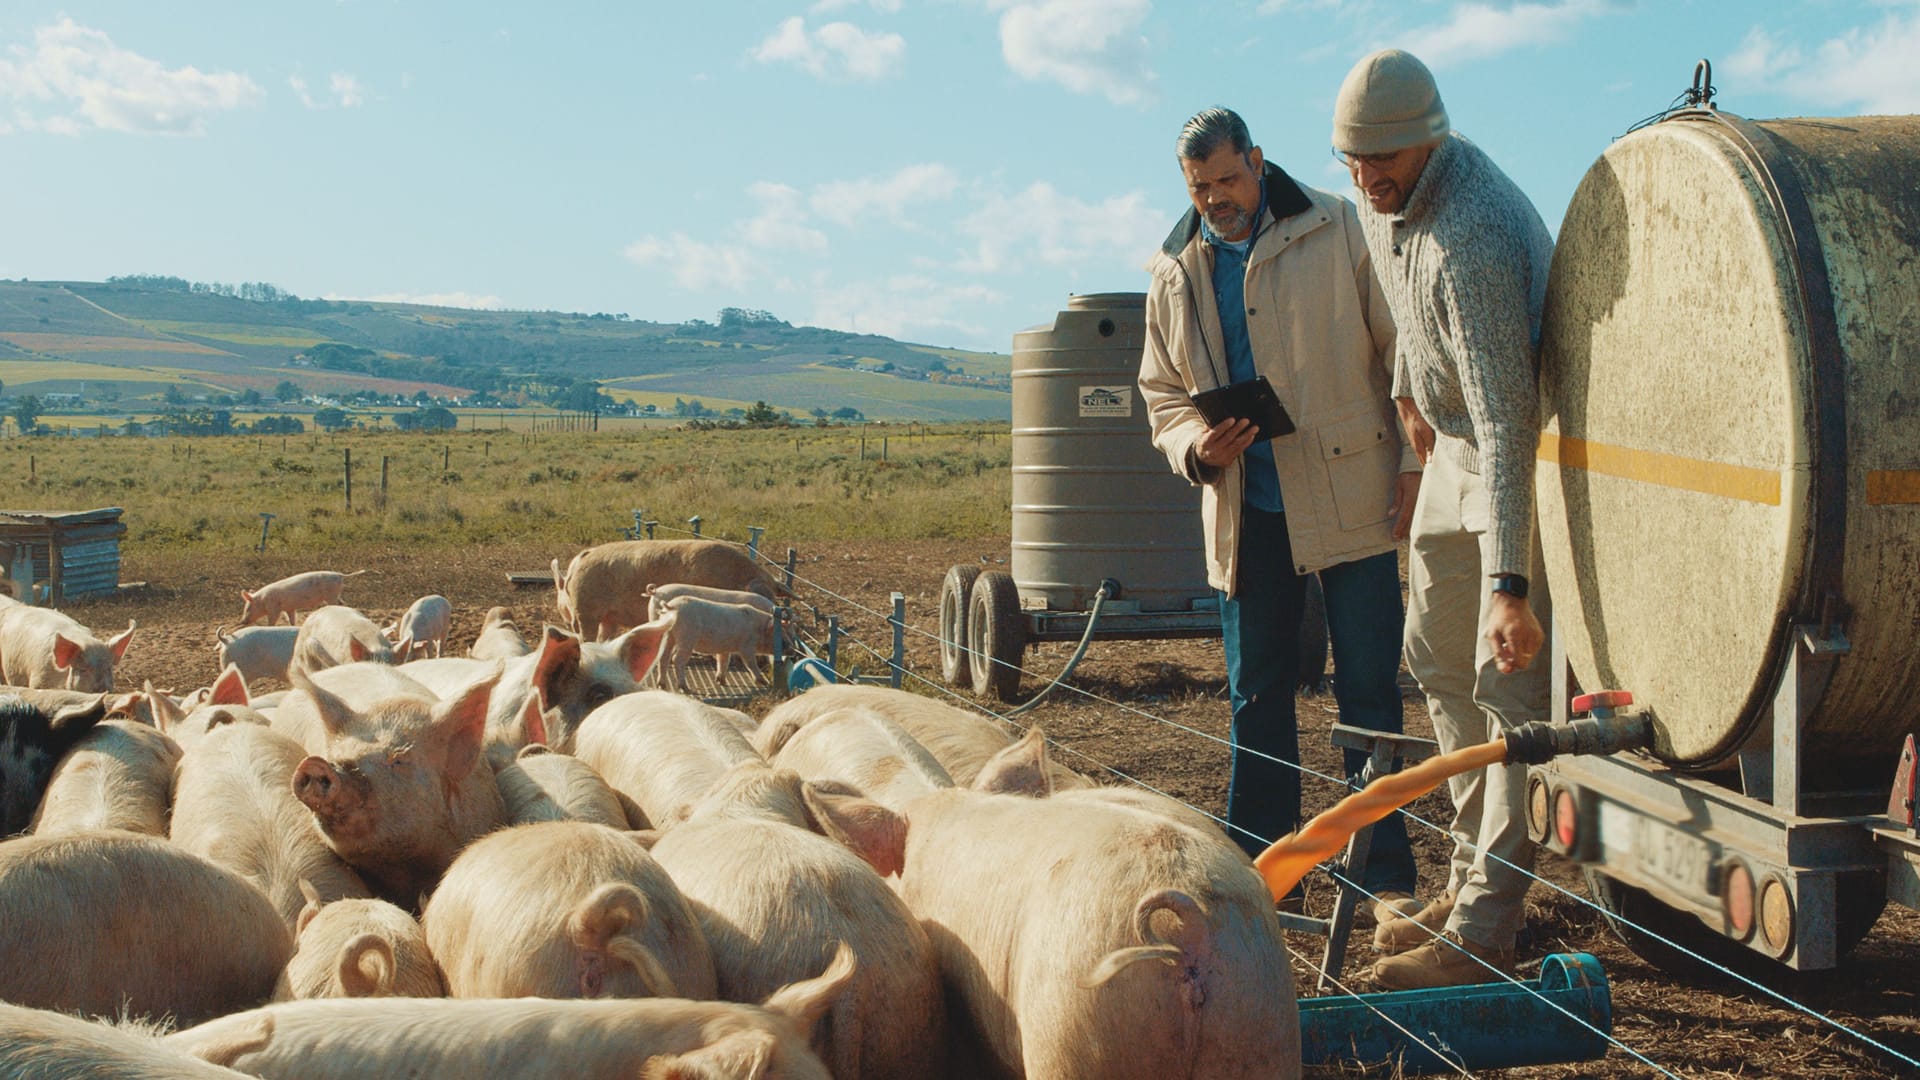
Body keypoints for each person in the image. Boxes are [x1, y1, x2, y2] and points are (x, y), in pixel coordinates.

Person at [1137, 106, 1422, 921]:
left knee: (1368, 690)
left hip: (1350, 498)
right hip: (1245, 508)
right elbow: (1161, 394)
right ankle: (1264, 877)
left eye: (1228, 179)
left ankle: (1382, 877)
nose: (1217, 199)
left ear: (1258, 161)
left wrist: (1409, 461)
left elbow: (1402, 348)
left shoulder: (1339, 227)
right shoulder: (1173, 269)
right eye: (1200, 188)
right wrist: (1198, 445)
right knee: (1254, 694)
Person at [1331, 49, 1555, 990]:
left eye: (1384, 160)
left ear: (1430, 138)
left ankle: (1484, 930)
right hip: (1448, 449)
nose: (1367, 179)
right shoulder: (1385, 207)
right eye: (1352, 162)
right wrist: (1406, 397)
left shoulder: (1476, 234)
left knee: (1503, 693)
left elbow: (1510, 421)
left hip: (1516, 456)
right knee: (1433, 662)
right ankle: (1463, 877)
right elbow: (1398, 309)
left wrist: (1511, 587)